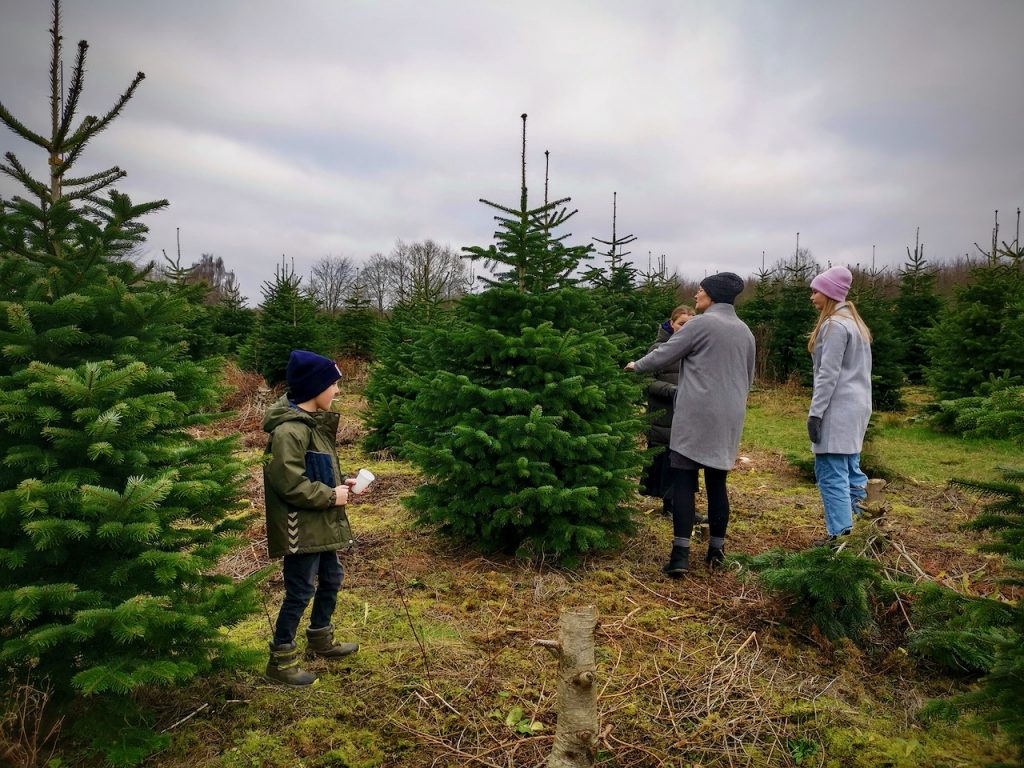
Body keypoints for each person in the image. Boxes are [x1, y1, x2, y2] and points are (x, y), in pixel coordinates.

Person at [626, 273, 755, 577]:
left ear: (712, 296)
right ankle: (717, 551)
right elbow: (748, 377)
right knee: (717, 483)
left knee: (684, 480)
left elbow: (665, 353)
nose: (696, 296)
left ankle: (681, 555)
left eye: (700, 291)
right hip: (730, 416)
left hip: (696, 414)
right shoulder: (745, 331)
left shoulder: (700, 324)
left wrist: (636, 366)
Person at [263, 350, 361, 686]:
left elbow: (315, 471)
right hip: (299, 528)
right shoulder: (289, 431)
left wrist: (342, 483)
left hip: (321, 524)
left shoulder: (315, 427)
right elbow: (289, 483)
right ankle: (281, 661)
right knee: (300, 590)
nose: (337, 391)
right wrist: (331, 496)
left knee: (332, 578)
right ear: (314, 388)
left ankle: (321, 638)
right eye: (333, 384)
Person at [806, 266, 873, 546]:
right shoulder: (856, 324)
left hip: (838, 409)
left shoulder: (834, 325)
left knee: (831, 472)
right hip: (857, 407)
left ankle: (841, 536)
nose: (812, 297)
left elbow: (827, 373)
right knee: (851, 468)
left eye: (816, 290)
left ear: (830, 293)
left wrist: (816, 412)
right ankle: (869, 528)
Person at [640, 304, 696, 517]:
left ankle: (682, 506)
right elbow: (646, 381)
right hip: (664, 414)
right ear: (671, 324)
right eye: (681, 324)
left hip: (688, 415)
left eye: (690, 324)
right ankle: (670, 506)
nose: (685, 328)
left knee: (684, 461)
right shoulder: (658, 349)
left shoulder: (694, 349)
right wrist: (673, 391)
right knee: (666, 461)